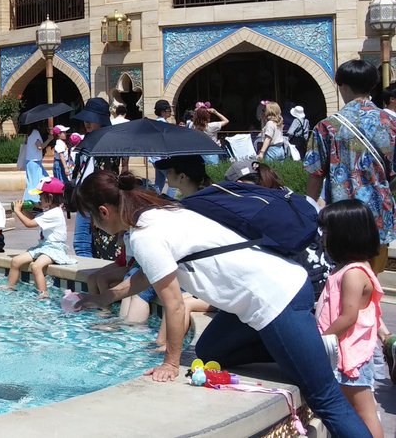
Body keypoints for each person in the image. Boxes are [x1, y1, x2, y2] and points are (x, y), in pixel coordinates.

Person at [74, 170, 370, 438]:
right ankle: (301, 347)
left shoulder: (145, 236)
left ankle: (305, 348)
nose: (96, 226)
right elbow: (151, 273)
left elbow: (175, 306)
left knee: (325, 399)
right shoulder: (161, 211)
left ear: (104, 211)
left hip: (276, 299)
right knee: (209, 351)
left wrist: (171, 363)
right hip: (265, 295)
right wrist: (106, 297)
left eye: (93, 219)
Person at [305, 59, 396, 274]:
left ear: (343, 85)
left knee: (345, 274)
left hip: (342, 216)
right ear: (372, 85)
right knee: (372, 277)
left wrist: (308, 210)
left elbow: (315, 174)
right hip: (380, 214)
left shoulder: (327, 126)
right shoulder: (391, 123)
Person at [316, 200, 385, 438]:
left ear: (346, 234)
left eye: (327, 231)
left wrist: (319, 341)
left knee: (364, 411)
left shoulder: (354, 273)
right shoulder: (348, 268)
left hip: (350, 356)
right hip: (343, 352)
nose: (323, 237)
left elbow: (348, 317)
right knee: (353, 409)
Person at [4, 177, 75, 298]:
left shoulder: (54, 214)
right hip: (44, 247)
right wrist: (24, 209)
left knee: (36, 266)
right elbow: (33, 219)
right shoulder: (50, 211)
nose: (39, 199)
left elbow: (29, 223)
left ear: (50, 198)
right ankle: (10, 286)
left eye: (41, 196)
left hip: (54, 248)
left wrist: (17, 211)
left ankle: (43, 293)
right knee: (16, 261)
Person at [71, 97, 118, 260]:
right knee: (83, 243)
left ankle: (90, 273)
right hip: (84, 198)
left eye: (91, 119)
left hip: (97, 199)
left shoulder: (109, 144)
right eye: (86, 119)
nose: (87, 123)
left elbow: (108, 173)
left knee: (86, 244)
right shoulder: (88, 140)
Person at [19, 122, 46, 211]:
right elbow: (39, 147)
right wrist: (49, 139)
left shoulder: (29, 134)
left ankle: (29, 202)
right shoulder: (35, 132)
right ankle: (34, 202)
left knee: (31, 183)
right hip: (34, 162)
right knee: (36, 183)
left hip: (30, 161)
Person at [150, 100, 173, 194]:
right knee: (174, 182)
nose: (170, 113)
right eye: (169, 111)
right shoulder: (163, 124)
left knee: (159, 183)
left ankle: (154, 199)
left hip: (156, 158)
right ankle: (170, 200)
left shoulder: (155, 123)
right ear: (163, 112)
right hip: (162, 158)